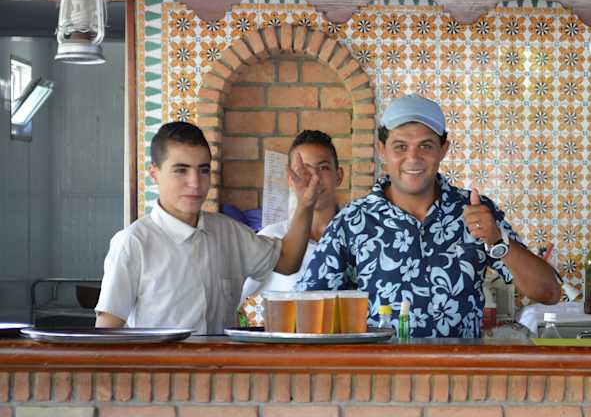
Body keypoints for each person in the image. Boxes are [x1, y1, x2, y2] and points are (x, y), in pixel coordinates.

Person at [296, 94, 561, 337]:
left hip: (461, 381)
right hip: (382, 382)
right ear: (382, 149)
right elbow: (306, 312)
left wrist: (496, 239)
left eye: (425, 146)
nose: (413, 158)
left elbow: (549, 292)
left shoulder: (474, 211)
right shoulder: (353, 223)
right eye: (400, 146)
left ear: (443, 149)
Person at [95, 121, 323, 334]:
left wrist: (305, 204)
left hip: (223, 373)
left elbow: (288, 261)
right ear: (154, 173)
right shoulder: (132, 243)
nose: (195, 182)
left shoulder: (229, 233)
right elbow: (106, 333)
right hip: (159, 375)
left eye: (203, 170)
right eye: (181, 170)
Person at [242, 130, 343, 299]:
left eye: (323, 168)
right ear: (290, 180)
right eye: (304, 170)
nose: (314, 178)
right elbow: (232, 296)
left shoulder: (358, 234)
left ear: (339, 176)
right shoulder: (272, 237)